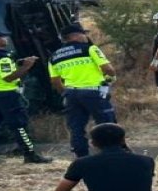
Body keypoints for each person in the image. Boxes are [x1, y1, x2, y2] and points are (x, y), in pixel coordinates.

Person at [0, 29, 51, 165]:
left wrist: (18, 62)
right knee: (19, 125)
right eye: (3, 37)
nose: (6, 40)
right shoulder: (2, 57)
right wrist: (26, 66)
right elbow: (9, 77)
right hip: (6, 95)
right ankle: (30, 155)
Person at [48, 23, 117, 158]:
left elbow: (55, 81)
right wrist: (110, 79)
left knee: (76, 127)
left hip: (71, 93)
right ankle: (111, 154)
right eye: (83, 33)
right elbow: (108, 69)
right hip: (93, 91)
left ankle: (81, 156)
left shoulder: (54, 56)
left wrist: (65, 93)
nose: (86, 36)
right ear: (75, 35)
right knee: (107, 124)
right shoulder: (90, 49)